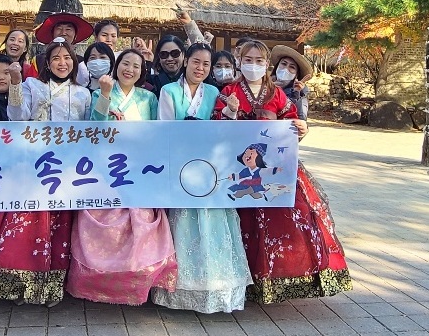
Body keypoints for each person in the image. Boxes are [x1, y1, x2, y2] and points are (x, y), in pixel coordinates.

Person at [212, 40, 352, 304]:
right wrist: (230, 111)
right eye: (248, 60)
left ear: (267, 64)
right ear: (239, 61)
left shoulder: (276, 94)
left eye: (259, 61)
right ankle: (239, 281)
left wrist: (301, 128)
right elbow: (214, 128)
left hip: (272, 170)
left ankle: (274, 280)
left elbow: (291, 123)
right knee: (241, 224)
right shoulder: (228, 91)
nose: (253, 65)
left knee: (282, 220)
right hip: (236, 168)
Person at [0, 38, 89, 307]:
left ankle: (48, 287)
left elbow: (91, 128)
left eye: (67, 58)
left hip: (65, 168)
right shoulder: (32, 85)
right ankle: (14, 282)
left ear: (74, 62)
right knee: (21, 224)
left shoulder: (83, 93)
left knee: (57, 226)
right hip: (32, 163)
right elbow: (17, 116)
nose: (62, 63)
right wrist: (15, 83)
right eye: (55, 58)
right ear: (46, 62)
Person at [67, 48, 178, 306]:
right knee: (104, 224)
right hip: (107, 169)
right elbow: (95, 127)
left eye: (136, 66)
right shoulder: (99, 92)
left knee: (139, 225)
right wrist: (106, 95)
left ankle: (137, 282)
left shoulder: (148, 98)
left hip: (137, 169)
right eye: (125, 64)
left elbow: (155, 132)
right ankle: (98, 283)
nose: (130, 69)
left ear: (142, 72)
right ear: (116, 67)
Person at [151, 42, 253, 313]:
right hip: (181, 166)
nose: (200, 68)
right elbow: (165, 129)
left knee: (214, 225)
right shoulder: (169, 91)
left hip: (211, 169)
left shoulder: (215, 93)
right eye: (196, 62)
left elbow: (223, 128)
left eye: (206, 64)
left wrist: (231, 111)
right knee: (184, 224)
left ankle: (217, 288)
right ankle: (179, 289)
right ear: (186, 61)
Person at [32, 12, 93, 87]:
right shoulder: (38, 61)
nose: (63, 33)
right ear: (52, 33)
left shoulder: (82, 63)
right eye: (59, 28)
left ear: (75, 35)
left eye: (68, 29)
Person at [270, 45, 312, 120]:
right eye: (284, 64)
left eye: (292, 67)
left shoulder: (300, 93)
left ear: (296, 75)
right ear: (277, 66)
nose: (286, 69)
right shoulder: (263, 85)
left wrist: (296, 94)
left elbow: (301, 119)